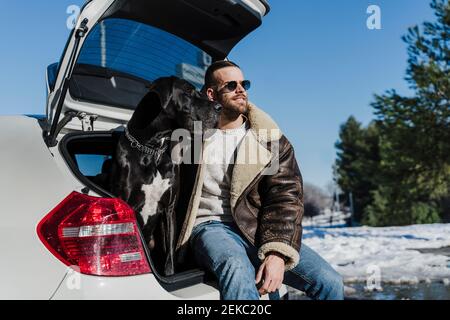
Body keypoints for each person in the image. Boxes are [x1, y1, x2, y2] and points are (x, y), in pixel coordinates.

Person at [174, 60, 344, 300]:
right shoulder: (191, 135)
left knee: (330, 282)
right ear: (211, 94)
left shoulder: (267, 140)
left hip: (256, 227)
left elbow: (285, 198)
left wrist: (276, 252)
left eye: (245, 84)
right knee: (236, 265)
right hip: (209, 225)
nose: (241, 89)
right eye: (231, 85)